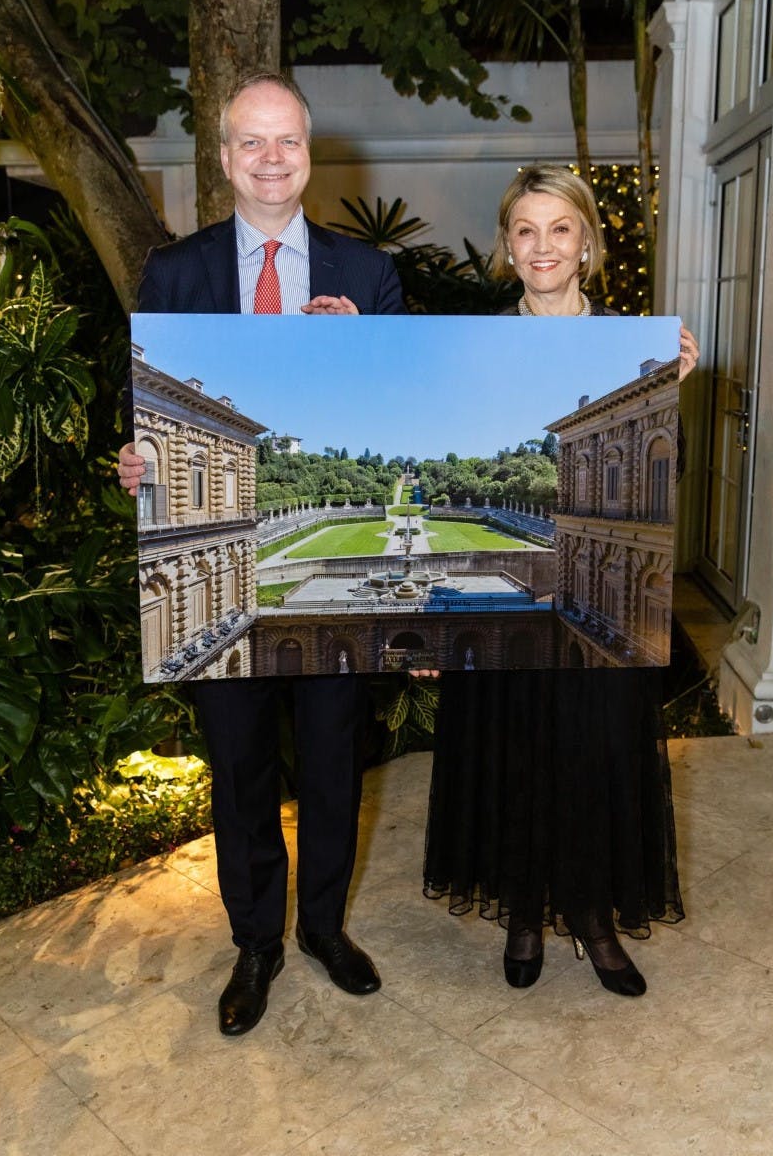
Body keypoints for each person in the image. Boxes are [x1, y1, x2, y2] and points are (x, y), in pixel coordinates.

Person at [118, 72, 406, 1036]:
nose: (271, 159)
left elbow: (402, 410)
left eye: (287, 141)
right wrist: (137, 460)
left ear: (309, 151)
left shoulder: (368, 278)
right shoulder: (176, 272)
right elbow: (152, 410)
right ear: (225, 154)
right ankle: (256, 943)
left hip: (320, 574)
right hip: (216, 567)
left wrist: (366, 350)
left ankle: (323, 926)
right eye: (252, 142)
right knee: (238, 764)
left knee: (331, 754)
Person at [423, 164, 699, 997]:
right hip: (513, 603)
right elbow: (437, 451)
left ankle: (589, 914)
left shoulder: (636, 352)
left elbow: (661, 484)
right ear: (507, 249)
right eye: (525, 231)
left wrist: (669, 395)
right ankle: (519, 909)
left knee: (596, 746)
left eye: (560, 229)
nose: (543, 247)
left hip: (606, 593)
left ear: (587, 243)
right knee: (509, 744)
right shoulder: (470, 350)